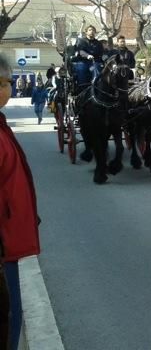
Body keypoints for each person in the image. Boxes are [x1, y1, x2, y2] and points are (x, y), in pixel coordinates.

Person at [0, 53, 41, 350]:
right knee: (9, 316)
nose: (5, 89)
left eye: (6, 82)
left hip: (9, 239)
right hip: (2, 244)